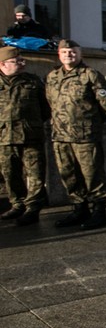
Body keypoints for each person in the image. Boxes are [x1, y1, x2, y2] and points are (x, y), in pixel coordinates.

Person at [45, 39, 106, 230]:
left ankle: (99, 212)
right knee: (69, 175)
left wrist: (89, 124)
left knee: (93, 175)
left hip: (85, 137)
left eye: (73, 51)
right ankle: (79, 209)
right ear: (59, 55)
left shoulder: (90, 75)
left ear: (80, 53)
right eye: (65, 52)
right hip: (60, 136)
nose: (69, 55)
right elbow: (50, 103)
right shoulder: (52, 77)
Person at [0, 46, 50, 226]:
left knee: (36, 174)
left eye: (22, 60)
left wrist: (31, 124)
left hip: (31, 136)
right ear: (3, 64)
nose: (21, 64)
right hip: (4, 138)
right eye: (16, 61)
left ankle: (33, 209)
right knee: (9, 174)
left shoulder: (33, 81)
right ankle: (17, 204)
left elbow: (46, 109)